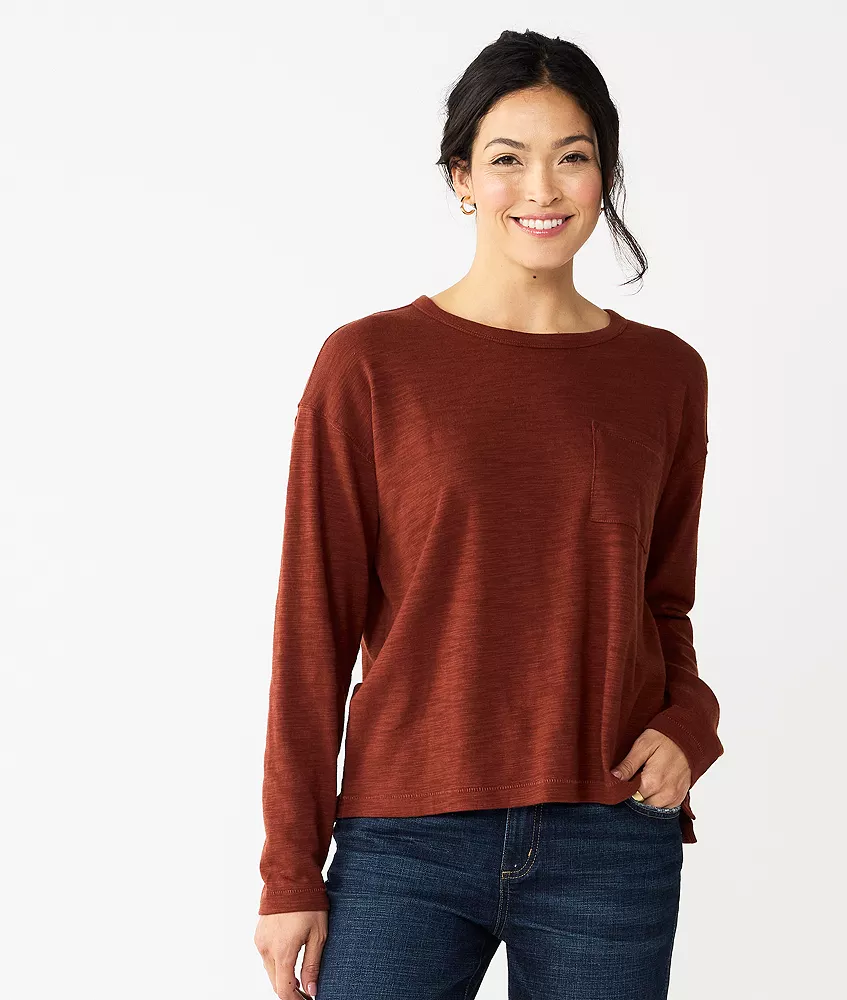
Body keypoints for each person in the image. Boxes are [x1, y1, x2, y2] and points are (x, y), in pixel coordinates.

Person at [253, 28, 724, 1000]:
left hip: (609, 834)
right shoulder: (370, 365)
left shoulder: (665, 375)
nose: (541, 188)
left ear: (605, 175)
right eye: (508, 158)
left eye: (572, 156)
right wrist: (289, 869)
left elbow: (660, 603)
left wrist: (691, 722)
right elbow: (312, 629)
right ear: (462, 177)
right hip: (405, 838)